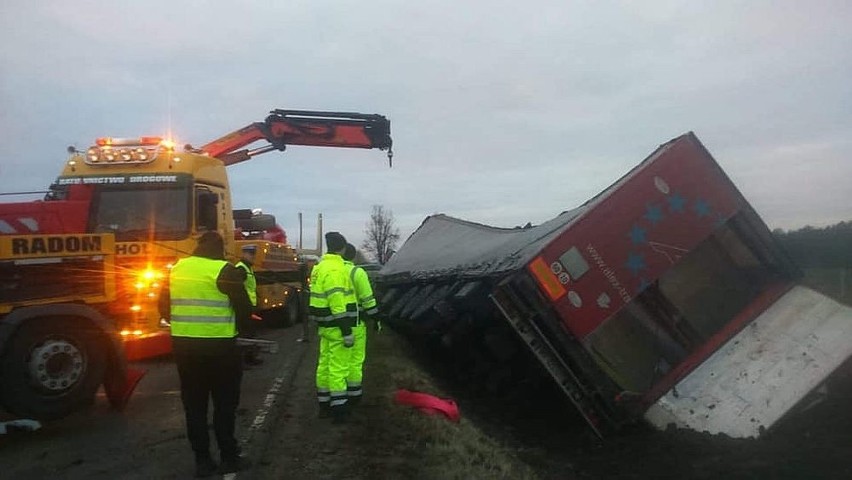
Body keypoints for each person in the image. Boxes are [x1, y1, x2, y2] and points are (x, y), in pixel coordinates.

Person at [158, 232, 252, 477]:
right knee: (224, 405)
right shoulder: (224, 270)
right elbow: (244, 309)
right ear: (220, 249)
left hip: (185, 348)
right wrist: (238, 331)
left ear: (198, 247)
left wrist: (183, 326)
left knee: (194, 406)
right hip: (220, 348)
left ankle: (202, 461)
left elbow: (163, 307)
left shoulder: (176, 269)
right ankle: (229, 457)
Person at [309, 231, 358, 423]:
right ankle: (339, 411)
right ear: (343, 248)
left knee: (324, 366)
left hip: (324, 325)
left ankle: (324, 405)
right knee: (338, 368)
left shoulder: (319, 267)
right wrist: (346, 331)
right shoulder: (336, 270)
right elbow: (337, 303)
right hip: (337, 326)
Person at [341, 243, 380, 406]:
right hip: (356, 322)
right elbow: (368, 299)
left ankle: (337, 396)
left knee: (337, 362)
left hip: (335, 322)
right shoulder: (357, 272)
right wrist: (376, 319)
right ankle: (354, 395)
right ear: (353, 257)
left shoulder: (332, 271)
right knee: (355, 361)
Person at [235, 246, 263, 367]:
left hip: (250, 306)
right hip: (244, 308)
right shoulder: (241, 268)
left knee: (251, 333)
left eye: (253, 254)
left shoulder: (248, 268)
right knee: (244, 334)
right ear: (244, 254)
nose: (253, 256)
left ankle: (250, 358)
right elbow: (239, 288)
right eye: (250, 254)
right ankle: (242, 361)